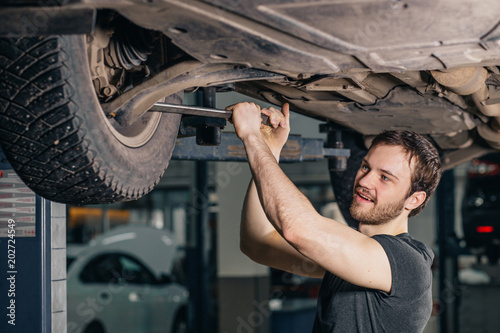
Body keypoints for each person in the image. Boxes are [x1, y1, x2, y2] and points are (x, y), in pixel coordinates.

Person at [226, 101, 442, 333]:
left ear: (414, 199)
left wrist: (251, 136)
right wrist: (270, 149)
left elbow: (297, 229)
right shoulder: (351, 260)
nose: (364, 181)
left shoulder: (407, 263)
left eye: (385, 177)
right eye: (366, 167)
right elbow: (258, 243)